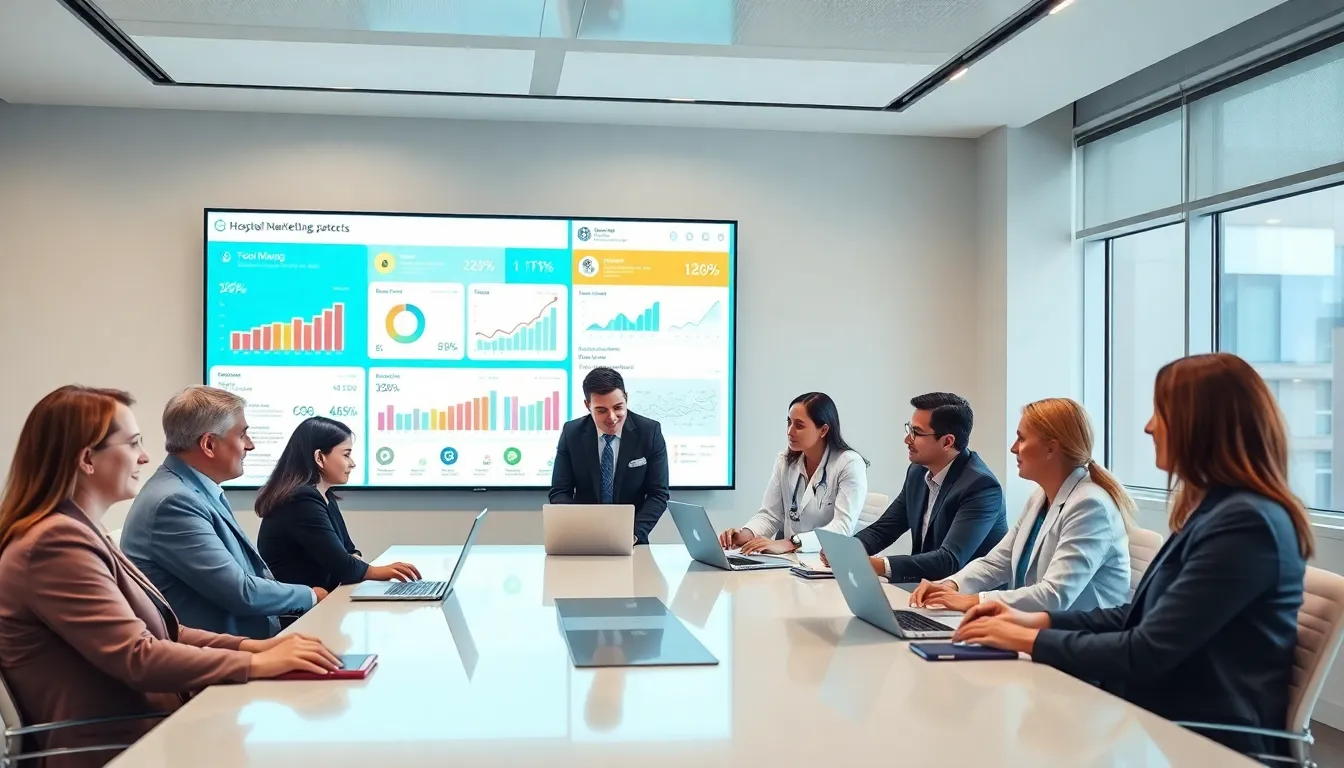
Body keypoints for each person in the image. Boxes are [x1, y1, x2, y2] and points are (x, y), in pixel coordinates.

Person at [955, 353, 1313, 759]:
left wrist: (1028, 639)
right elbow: (1139, 614)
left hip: (1204, 739)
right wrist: (1037, 620)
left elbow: (1147, 651)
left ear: (1201, 425)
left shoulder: (1246, 524)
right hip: (1162, 717)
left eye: (1161, 412)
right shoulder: (1215, 511)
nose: (1149, 426)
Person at [0, 386, 340, 768]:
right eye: (132, 444)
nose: (145, 456)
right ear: (87, 460)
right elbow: (137, 656)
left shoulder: (79, 528)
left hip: (153, 723)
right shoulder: (54, 543)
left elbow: (165, 629)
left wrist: (252, 648)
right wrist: (255, 665)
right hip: (121, 744)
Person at [121, 386, 324, 640]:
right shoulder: (175, 502)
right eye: (242, 435)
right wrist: (312, 595)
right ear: (208, 444)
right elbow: (242, 593)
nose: (250, 445)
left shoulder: (193, 489)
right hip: (220, 659)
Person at [909, 398, 1132, 612]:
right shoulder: (1040, 497)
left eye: (1022, 439)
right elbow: (998, 562)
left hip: (1078, 641)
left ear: (1051, 449)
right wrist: (951, 585)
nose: (1014, 448)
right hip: (1036, 629)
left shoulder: (1090, 506)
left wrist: (974, 601)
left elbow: (1054, 596)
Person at [834, 392, 1007, 583]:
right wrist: (847, 550)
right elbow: (884, 529)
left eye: (916, 432)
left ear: (947, 442)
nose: (907, 439)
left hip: (969, 602)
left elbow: (949, 560)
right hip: (925, 590)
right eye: (909, 429)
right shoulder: (917, 472)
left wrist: (880, 565)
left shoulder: (981, 487)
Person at [255, 416, 420, 592]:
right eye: (346, 454)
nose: (353, 463)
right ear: (319, 457)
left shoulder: (324, 496)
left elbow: (349, 551)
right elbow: (344, 567)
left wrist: (352, 563)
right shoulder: (300, 499)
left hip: (323, 601)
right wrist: (382, 571)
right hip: (301, 613)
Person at [719, 392, 868, 555]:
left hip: (829, 563)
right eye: (789, 422)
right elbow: (770, 515)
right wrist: (745, 535)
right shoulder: (785, 460)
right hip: (791, 563)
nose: (790, 431)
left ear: (823, 430)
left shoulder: (849, 463)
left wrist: (791, 543)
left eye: (799, 425)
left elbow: (842, 527)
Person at [549, 367, 670, 545]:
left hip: (634, 541)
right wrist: (584, 528)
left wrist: (633, 534)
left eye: (618, 407)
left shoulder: (649, 432)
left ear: (626, 399)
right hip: (583, 538)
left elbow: (658, 494)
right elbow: (559, 492)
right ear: (587, 405)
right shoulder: (571, 433)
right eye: (601, 410)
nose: (612, 417)